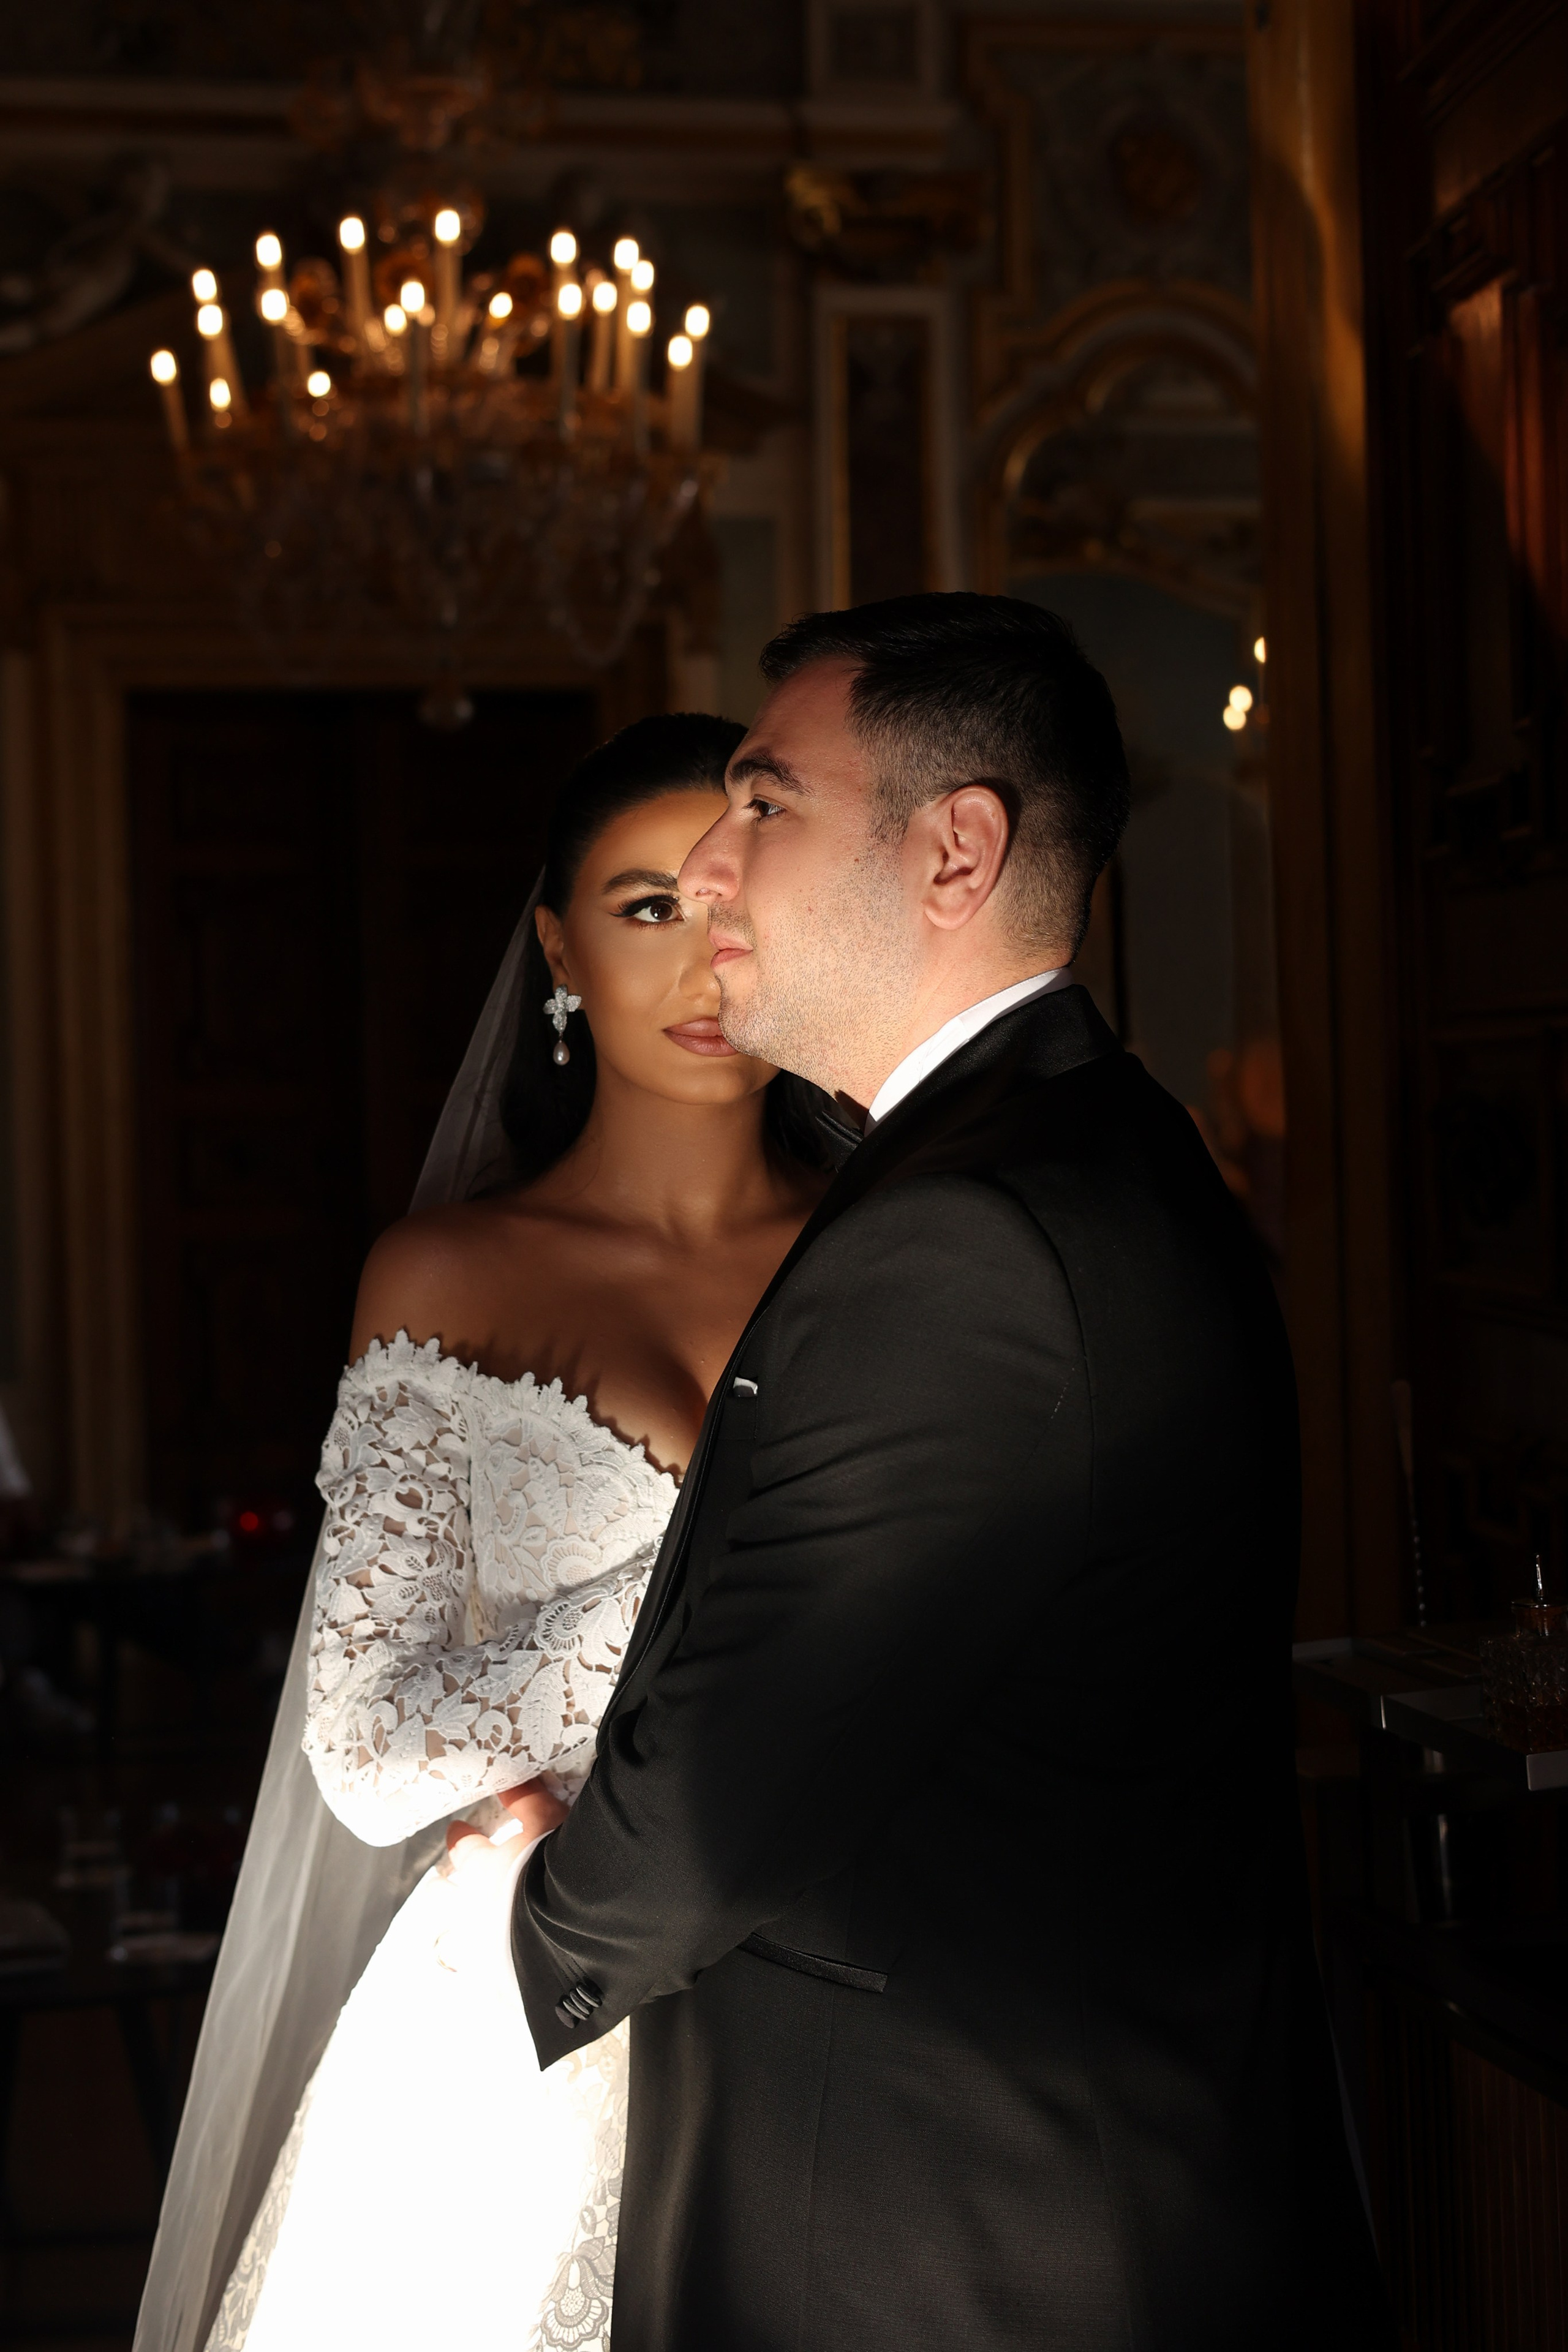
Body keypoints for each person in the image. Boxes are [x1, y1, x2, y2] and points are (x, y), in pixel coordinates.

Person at [497, 594, 1393, 2349]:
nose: (715, 864)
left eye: (765, 803)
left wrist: (530, 1916)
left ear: (956, 851)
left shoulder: (970, 1235)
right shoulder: (1068, 1149)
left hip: (959, 2247)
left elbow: (722, 1806)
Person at [134, 713, 826, 2352]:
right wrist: (719, 1586)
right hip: (527, 2022)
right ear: (557, 948)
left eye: (735, 903)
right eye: (646, 906)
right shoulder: (451, 1278)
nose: (704, 956)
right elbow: (371, 1754)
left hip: (837, 1982)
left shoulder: (894, 1249)